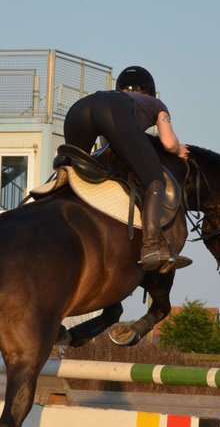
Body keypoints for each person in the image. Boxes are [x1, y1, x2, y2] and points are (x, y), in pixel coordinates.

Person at [62, 65, 190, 272]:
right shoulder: (156, 104)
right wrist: (178, 150)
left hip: (79, 109)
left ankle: (52, 188)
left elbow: (106, 148)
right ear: (150, 91)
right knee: (155, 179)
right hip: (112, 113)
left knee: (69, 171)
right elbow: (167, 142)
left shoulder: (112, 96)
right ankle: (152, 246)